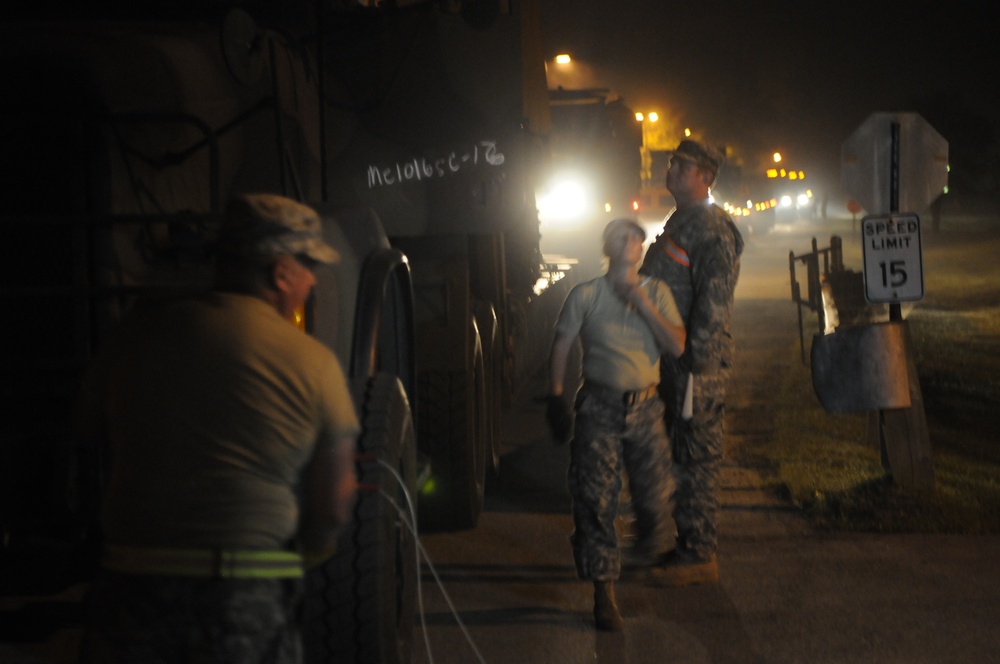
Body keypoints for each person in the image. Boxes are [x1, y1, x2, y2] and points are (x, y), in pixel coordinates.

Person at [73, 193, 360, 663]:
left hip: (129, 595)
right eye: (307, 264)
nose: (311, 280)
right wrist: (298, 560)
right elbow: (334, 503)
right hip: (243, 598)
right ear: (280, 271)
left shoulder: (135, 335)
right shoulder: (313, 363)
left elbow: (84, 433)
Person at [547, 218, 686, 631]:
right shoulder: (586, 294)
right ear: (608, 246)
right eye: (625, 237)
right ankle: (603, 592)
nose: (634, 243)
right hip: (599, 406)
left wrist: (642, 303)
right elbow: (561, 345)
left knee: (656, 498)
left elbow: (677, 345)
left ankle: (642, 557)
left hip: (646, 409)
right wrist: (555, 396)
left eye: (638, 239)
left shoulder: (657, 292)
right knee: (596, 501)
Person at [638, 139, 744, 587]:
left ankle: (699, 555)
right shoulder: (682, 220)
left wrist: (693, 366)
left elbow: (713, 306)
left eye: (684, 166)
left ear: (706, 178)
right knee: (677, 453)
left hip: (695, 365)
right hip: (672, 360)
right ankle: (681, 542)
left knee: (697, 457)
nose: (673, 171)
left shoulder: (713, 228)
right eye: (671, 164)